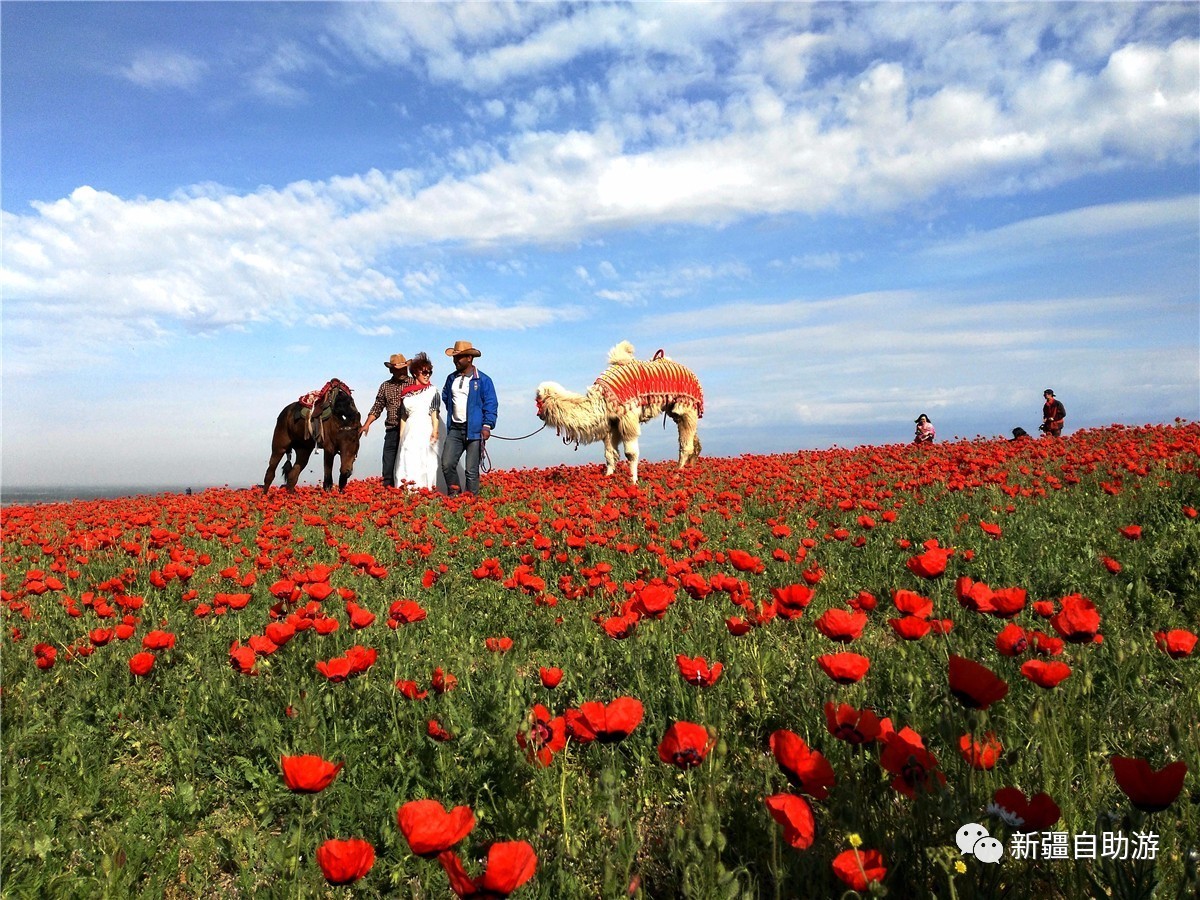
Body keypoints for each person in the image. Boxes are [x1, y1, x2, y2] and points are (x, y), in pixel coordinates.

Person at [440, 340, 497, 496]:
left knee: (471, 470)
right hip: (455, 429)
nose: (455, 361)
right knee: (447, 464)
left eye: (459, 357)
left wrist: (487, 426)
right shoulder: (451, 378)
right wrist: (454, 412)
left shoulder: (483, 380)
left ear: (469, 358)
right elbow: (446, 397)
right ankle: (454, 496)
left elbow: (491, 404)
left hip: (475, 430)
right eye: (454, 357)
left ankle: (471, 502)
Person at [360, 354, 413, 487]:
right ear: (391, 370)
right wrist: (367, 424)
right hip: (392, 430)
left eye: (403, 369)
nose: (402, 372)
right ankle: (388, 492)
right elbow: (377, 407)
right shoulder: (385, 386)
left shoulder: (413, 383)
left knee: (408, 464)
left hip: (410, 430)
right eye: (398, 370)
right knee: (388, 465)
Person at [395, 353, 441, 491]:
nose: (427, 375)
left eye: (430, 372)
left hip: (425, 428)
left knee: (427, 462)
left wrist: (435, 430)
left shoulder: (433, 391)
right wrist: (401, 436)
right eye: (425, 372)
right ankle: (409, 491)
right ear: (415, 373)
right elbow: (404, 416)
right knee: (409, 460)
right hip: (410, 431)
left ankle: (427, 490)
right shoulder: (406, 393)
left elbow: (435, 412)